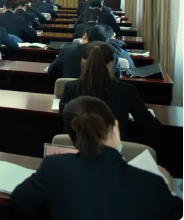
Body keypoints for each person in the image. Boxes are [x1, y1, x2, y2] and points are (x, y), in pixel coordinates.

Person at [11, 96, 181, 220]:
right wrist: (167, 191)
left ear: (74, 139)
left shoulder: (54, 167)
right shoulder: (151, 183)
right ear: (116, 127)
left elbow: (20, 201)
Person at [59, 42, 160, 142]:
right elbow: (149, 125)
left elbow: (64, 119)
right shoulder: (127, 90)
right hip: (113, 146)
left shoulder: (70, 88)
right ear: (110, 64)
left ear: (83, 62)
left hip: (78, 145)